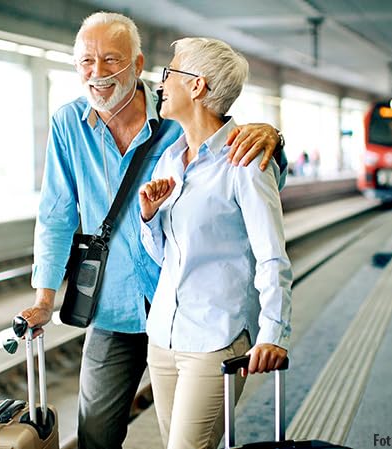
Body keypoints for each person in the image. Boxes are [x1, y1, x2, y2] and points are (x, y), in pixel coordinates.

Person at [17, 12, 285, 449]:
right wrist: (44, 297)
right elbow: (56, 214)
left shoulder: (175, 115)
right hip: (113, 307)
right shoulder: (68, 125)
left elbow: (234, 163)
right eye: (86, 61)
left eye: (111, 60)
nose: (97, 73)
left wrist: (272, 137)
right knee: (95, 435)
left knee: (186, 440)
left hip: (187, 307)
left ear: (138, 65)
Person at [138, 38, 291, 449]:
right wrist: (150, 217)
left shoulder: (245, 160)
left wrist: (273, 332)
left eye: (169, 73)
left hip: (216, 338)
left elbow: (272, 254)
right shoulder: (171, 159)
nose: (161, 83)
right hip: (165, 338)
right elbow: (164, 256)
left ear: (197, 86)